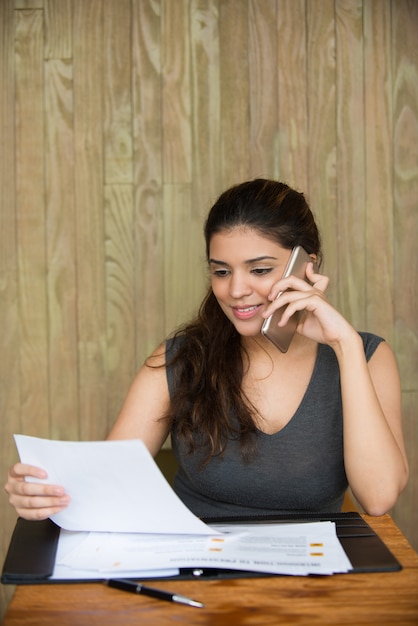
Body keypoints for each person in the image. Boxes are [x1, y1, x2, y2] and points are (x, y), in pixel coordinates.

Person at [5, 179, 409, 520]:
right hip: (198, 574)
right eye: (221, 271)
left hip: (310, 581)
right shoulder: (180, 358)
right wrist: (43, 493)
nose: (235, 290)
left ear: (306, 267)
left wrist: (345, 346)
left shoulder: (366, 356)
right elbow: (110, 479)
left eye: (260, 270)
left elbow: (377, 497)